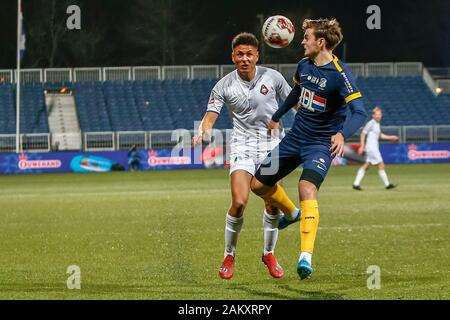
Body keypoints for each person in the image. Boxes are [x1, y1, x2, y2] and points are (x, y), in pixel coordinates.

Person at [250, 18, 368, 280]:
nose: (302, 42)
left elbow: (360, 112)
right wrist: (278, 115)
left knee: (307, 188)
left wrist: (341, 133)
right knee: (257, 185)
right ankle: (292, 213)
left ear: (320, 42)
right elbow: (296, 92)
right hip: (295, 138)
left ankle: (305, 256)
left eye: (307, 37)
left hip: (319, 144)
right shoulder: (304, 65)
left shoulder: (340, 74)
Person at [192, 32, 300, 280]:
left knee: (272, 203)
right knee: (240, 201)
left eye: (249, 54)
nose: (244, 58)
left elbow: (295, 103)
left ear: (257, 55)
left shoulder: (272, 77)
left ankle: (269, 253)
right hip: (242, 147)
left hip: (272, 146)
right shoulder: (223, 85)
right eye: (239, 54)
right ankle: (229, 255)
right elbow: (211, 114)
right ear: (233, 56)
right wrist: (203, 131)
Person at [352, 107, 399, 190]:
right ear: (373, 115)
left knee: (367, 166)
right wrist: (362, 146)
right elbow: (363, 133)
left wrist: (391, 137)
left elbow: (380, 135)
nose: (378, 116)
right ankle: (387, 185)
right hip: (371, 148)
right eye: (376, 115)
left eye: (379, 114)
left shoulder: (377, 124)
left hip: (373, 148)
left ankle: (356, 184)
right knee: (381, 165)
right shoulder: (371, 123)